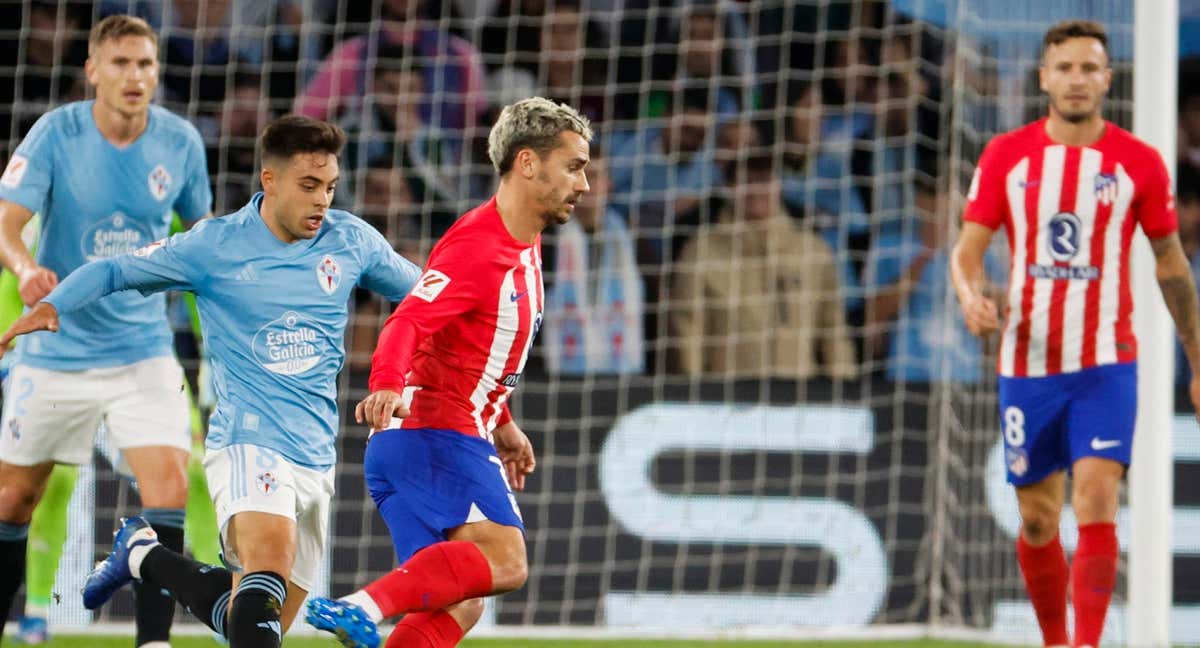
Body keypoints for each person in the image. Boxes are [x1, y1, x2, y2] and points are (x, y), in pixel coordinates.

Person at [0, 115, 422, 648]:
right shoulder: (215, 246)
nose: (322, 201)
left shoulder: (351, 240)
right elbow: (115, 270)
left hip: (316, 451)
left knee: (252, 617)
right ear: (269, 180)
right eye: (309, 186)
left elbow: (427, 299)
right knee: (267, 569)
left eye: (331, 187)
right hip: (247, 442)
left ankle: (145, 556)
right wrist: (53, 306)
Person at [302, 96, 590, 648]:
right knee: (505, 561)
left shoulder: (522, 239)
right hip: (433, 431)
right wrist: (386, 383)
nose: (584, 184)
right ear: (528, 163)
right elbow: (406, 322)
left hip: (424, 437)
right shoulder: (478, 245)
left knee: (460, 602)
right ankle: (356, 605)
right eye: (574, 166)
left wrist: (501, 420)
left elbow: (462, 342)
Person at [950, 20, 1200, 648]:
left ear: (1107, 79)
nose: (1077, 79)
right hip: (1027, 363)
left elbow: (1172, 266)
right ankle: (1055, 640)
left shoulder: (1139, 164)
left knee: (1096, 500)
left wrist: (1199, 359)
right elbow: (966, 252)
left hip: (1106, 362)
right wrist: (968, 296)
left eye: (1090, 68)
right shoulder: (1006, 156)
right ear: (1044, 78)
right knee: (1037, 520)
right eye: (1065, 67)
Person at [0, 15, 213, 648]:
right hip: (57, 349)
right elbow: (7, 224)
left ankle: (154, 642)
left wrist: (219, 354)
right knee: (15, 500)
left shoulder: (181, 143)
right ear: (93, 70)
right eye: (120, 64)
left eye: (145, 64)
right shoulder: (55, 133)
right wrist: (26, 266)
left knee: (170, 486)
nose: (135, 77)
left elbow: (204, 249)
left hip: (142, 351)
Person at [671, 153, 856, 380]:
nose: (757, 189)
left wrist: (844, 391)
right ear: (729, 188)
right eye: (747, 180)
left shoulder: (813, 250)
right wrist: (693, 396)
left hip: (802, 397)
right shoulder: (701, 251)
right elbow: (688, 331)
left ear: (779, 185)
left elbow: (833, 329)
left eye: (765, 179)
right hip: (726, 398)